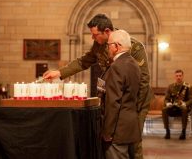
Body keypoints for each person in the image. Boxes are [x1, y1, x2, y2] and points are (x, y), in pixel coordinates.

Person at [43, 14, 152, 158]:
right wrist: (59, 72)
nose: (93, 38)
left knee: (134, 145)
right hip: (116, 100)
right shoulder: (99, 46)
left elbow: (143, 81)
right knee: (115, 143)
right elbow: (84, 61)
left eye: (95, 35)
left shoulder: (132, 46)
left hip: (134, 103)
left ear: (107, 31)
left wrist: (133, 110)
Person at [101, 29, 141, 159]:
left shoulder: (117, 66)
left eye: (108, 45)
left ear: (116, 46)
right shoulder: (134, 64)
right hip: (130, 126)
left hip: (117, 129)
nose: (107, 48)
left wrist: (107, 132)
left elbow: (113, 102)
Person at [162, 69, 192, 140]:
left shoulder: (188, 86)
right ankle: (167, 131)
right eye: (177, 76)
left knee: (184, 109)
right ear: (175, 77)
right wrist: (167, 103)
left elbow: (191, 99)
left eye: (180, 76)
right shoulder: (170, 86)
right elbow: (166, 99)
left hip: (182, 108)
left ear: (183, 76)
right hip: (173, 107)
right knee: (164, 109)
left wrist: (185, 103)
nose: (178, 77)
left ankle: (183, 132)